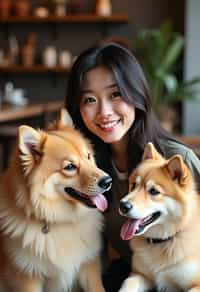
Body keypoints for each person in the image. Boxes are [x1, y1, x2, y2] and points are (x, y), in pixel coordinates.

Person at [65, 42, 200, 291]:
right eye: (90, 99)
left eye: (116, 94)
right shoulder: (84, 168)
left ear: (136, 94)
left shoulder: (177, 159)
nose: (104, 112)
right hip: (137, 275)